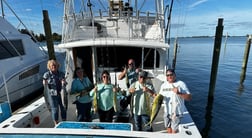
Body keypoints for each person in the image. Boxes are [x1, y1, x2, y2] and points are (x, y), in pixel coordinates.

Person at [159, 69, 192, 133]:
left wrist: (179, 93)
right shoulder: (163, 85)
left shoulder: (181, 84)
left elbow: (189, 98)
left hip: (176, 113)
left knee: (174, 130)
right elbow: (160, 97)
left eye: (171, 74)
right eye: (168, 75)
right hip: (167, 111)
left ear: (175, 75)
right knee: (168, 127)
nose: (169, 76)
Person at [43, 59, 67, 126]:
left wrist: (64, 82)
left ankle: (64, 122)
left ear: (57, 66)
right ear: (49, 67)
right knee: (55, 109)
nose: (54, 66)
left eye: (55, 65)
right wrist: (45, 83)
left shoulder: (62, 73)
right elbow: (44, 82)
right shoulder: (46, 74)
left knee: (64, 108)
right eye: (52, 65)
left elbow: (64, 83)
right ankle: (56, 124)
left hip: (61, 93)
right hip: (52, 95)